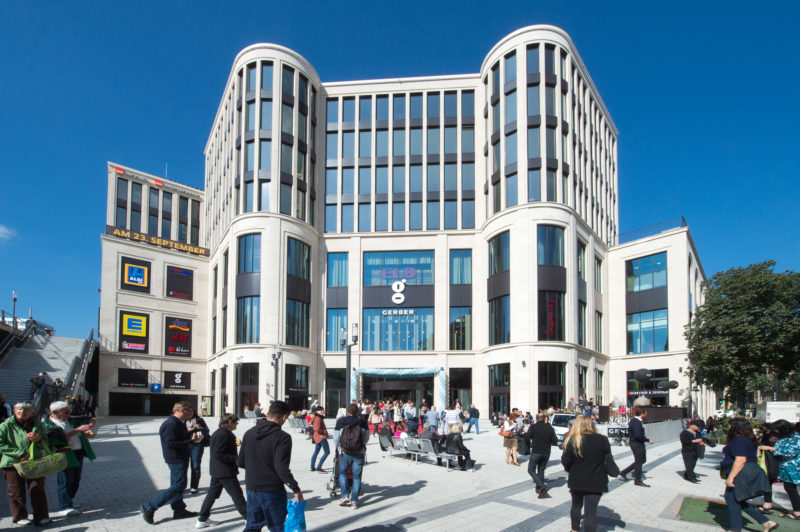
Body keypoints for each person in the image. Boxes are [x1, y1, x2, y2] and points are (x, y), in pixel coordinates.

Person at [238, 400, 303, 532]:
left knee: (252, 526)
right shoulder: (282, 437)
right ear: (284, 417)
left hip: (252, 488)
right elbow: (281, 468)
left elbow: (240, 462)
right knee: (276, 526)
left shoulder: (249, 433)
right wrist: (296, 489)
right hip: (272, 489)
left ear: (268, 414)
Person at [140, 401, 201, 524]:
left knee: (177, 485)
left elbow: (179, 437)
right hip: (176, 458)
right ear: (182, 410)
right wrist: (190, 442)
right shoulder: (172, 424)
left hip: (178, 457)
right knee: (178, 485)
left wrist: (191, 433)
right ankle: (150, 506)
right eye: (189, 412)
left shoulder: (177, 423)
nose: (191, 415)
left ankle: (179, 510)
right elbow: (171, 443)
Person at [561, 415, 618, 532]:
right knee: (590, 513)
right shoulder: (602, 439)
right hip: (597, 480)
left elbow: (565, 460)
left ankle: (575, 530)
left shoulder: (574, 440)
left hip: (577, 480)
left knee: (576, 506)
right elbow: (609, 460)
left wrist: (570, 469)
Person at [719, 417, 776, 532]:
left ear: (735, 427)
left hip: (742, 473)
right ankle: (765, 522)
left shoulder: (738, 440)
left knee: (732, 498)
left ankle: (737, 529)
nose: (728, 428)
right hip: (748, 471)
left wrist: (730, 477)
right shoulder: (747, 439)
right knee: (735, 499)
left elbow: (740, 460)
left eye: (730, 425)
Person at [0, 402, 52, 526]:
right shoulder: (5, 425)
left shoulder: (37, 424)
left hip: (34, 461)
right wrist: (20, 453)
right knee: (16, 490)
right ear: (14, 411)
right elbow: (1, 444)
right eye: (18, 409)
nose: (22, 411)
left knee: (37, 489)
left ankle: (41, 516)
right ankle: (19, 516)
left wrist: (38, 439)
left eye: (25, 409)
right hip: (12, 463)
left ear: (32, 412)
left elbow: (45, 440)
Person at [195, 413, 247, 528]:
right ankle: (248, 517)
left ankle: (202, 519)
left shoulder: (223, 433)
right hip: (225, 471)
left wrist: (234, 445)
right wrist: (235, 459)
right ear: (229, 422)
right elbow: (218, 454)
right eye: (236, 422)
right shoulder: (223, 434)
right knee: (237, 495)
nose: (237, 424)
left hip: (218, 470)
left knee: (212, 495)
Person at [44, 401, 95, 516]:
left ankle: (69, 502)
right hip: (64, 454)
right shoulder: (49, 425)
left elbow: (90, 418)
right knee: (65, 480)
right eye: (66, 412)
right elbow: (60, 439)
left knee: (76, 480)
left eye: (69, 411)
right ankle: (64, 507)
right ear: (55, 412)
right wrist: (78, 430)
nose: (69, 413)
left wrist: (89, 428)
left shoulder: (69, 419)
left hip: (78, 452)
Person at [333, 404, 370, 509]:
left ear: (347, 411)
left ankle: (345, 496)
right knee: (357, 477)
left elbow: (336, 438)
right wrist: (361, 445)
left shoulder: (341, 421)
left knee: (343, 473)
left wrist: (338, 448)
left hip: (344, 452)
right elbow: (366, 438)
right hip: (359, 452)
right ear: (358, 412)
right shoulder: (362, 422)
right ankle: (354, 501)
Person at [767, 419, 800, 521]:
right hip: (784, 468)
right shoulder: (785, 437)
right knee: (789, 488)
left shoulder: (796, 437)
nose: (776, 432)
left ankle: (797, 512)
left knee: (791, 488)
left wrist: (774, 450)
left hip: (792, 468)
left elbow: (791, 452)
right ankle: (797, 510)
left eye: (777, 430)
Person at [523, 413, 559, 498]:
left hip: (536, 451)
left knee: (531, 469)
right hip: (546, 452)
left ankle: (542, 486)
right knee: (541, 469)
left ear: (536, 418)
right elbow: (555, 441)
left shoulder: (533, 427)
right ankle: (539, 487)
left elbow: (527, 438)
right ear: (544, 419)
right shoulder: (550, 428)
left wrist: (530, 443)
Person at [618, 406, 654, 486]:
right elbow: (638, 435)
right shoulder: (636, 422)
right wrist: (648, 440)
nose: (646, 414)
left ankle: (624, 472)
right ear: (642, 413)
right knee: (639, 462)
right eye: (645, 413)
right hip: (636, 444)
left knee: (642, 460)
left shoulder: (636, 421)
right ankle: (637, 481)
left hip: (638, 443)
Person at [185, 407, 211, 494]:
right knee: (183, 466)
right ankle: (182, 485)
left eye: (192, 411)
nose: (190, 413)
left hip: (197, 444)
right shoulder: (182, 421)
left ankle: (194, 486)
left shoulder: (199, 420)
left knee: (195, 465)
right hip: (185, 444)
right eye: (189, 411)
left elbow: (207, 430)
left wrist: (200, 427)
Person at [310, 406, 330, 472]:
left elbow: (310, 423)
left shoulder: (316, 417)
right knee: (327, 452)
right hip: (321, 437)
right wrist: (325, 432)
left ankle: (312, 467)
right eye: (320, 410)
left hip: (317, 437)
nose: (322, 411)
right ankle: (319, 467)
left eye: (322, 410)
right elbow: (316, 429)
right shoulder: (318, 418)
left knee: (316, 451)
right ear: (317, 411)